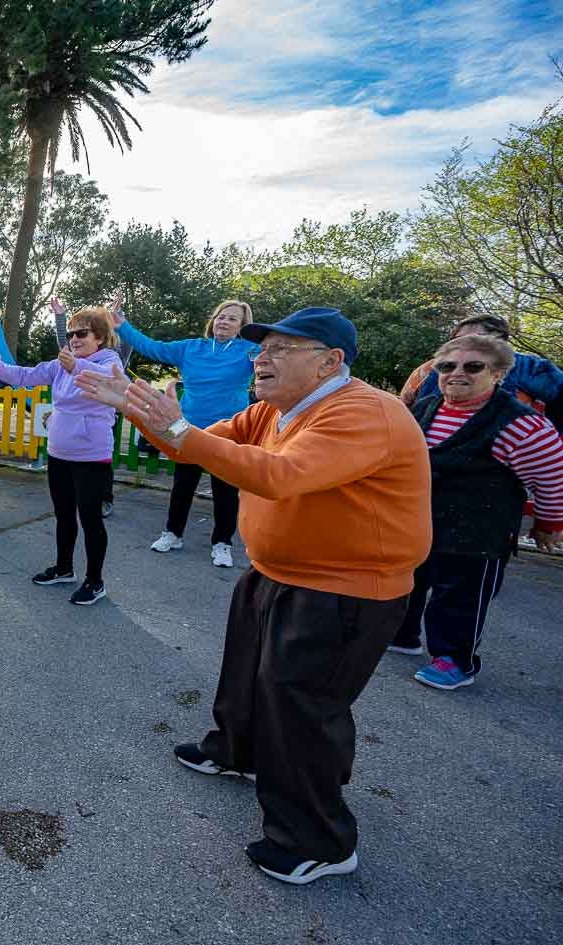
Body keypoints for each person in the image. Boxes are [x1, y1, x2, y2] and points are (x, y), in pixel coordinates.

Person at [77, 307, 431, 886]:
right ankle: (237, 752)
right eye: (260, 347)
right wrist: (140, 412)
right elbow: (193, 446)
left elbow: (278, 475)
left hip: (343, 588)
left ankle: (319, 840)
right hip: (277, 570)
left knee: (304, 709)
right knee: (245, 676)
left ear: (329, 362)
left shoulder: (364, 413)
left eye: (280, 349)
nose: (260, 358)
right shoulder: (273, 408)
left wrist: (176, 428)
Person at [388, 333, 563, 689]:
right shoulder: (426, 406)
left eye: (473, 366)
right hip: (420, 521)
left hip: (479, 531)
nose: (457, 373)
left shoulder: (521, 425)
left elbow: (551, 476)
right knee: (409, 583)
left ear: (498, 373)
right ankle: (402, 637)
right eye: (447, 366)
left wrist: (548, 523)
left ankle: (455, 660)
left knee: (460, 598)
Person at [0, 303, 121, 606]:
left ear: (99, 336)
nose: (74, 338)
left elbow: (110, 379)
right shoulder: (62, 363)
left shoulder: (108, 360)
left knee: (90, 519)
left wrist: (77, 366)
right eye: (71, 333)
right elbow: (25, 375)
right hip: (60, 452)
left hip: (91, 455)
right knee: (63, 515)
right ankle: (64, 568)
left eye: (81, 333)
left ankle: (95, 580)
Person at [112, 298, 259, 568]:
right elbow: (151, 347)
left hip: (228, 432)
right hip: (186, 429)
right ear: (213, 321)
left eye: (232, 319)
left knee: (225, 491)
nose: (224, 322)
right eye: (221, 317)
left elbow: (275, 365)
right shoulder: (191, 348)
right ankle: (173, 533)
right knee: (182, 485)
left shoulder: (249, 351)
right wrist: (122, 326)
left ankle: (222, 543)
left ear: (241, 326)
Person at [401, 313, 563, 433]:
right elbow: (405, 409)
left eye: (477, 338)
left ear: (500, 342)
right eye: (457, 339)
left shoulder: (528, 367)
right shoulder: (429, 369)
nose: (465, 345)